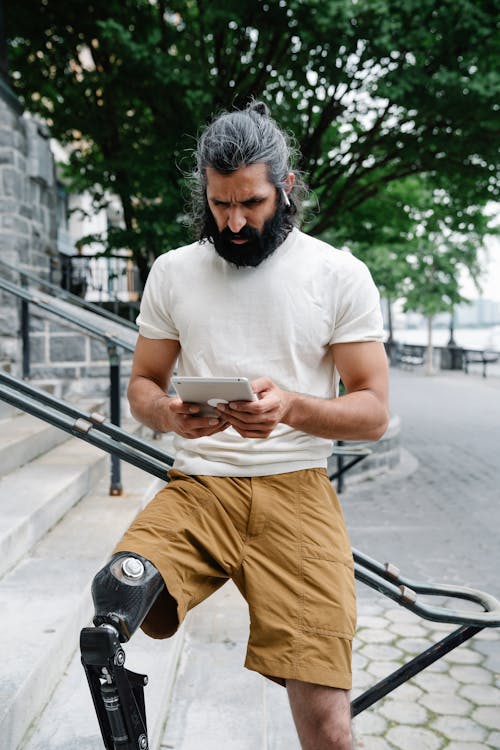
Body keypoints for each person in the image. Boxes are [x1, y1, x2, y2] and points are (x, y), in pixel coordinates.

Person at [110, 101, 389, 750]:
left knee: (327, 724)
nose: (233, 221)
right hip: (200, 486)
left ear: (286, 189)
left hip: (297, 489)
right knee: (112, 604)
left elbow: (374, 410)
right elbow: (143, 387)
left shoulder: (338, 274)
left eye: (252, 203)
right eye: (219, 204)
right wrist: (169, 412)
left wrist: (291, 406)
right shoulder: (175, 272)